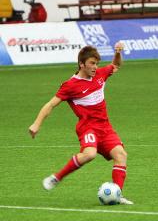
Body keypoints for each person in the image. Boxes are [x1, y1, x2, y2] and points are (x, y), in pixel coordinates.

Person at [28, 43, 133, 204]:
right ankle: (56, 178)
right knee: (89, 154)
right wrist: (36, 124)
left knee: (121, 155)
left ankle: (117, 194)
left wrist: (118, 53)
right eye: (91, 63)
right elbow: (50, 105)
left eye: (96, 63)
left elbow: (116, 65)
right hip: (88, 128)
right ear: (81, 64)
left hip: (105, 128)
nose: (95, 67)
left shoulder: (99, 74)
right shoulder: (70, 85)